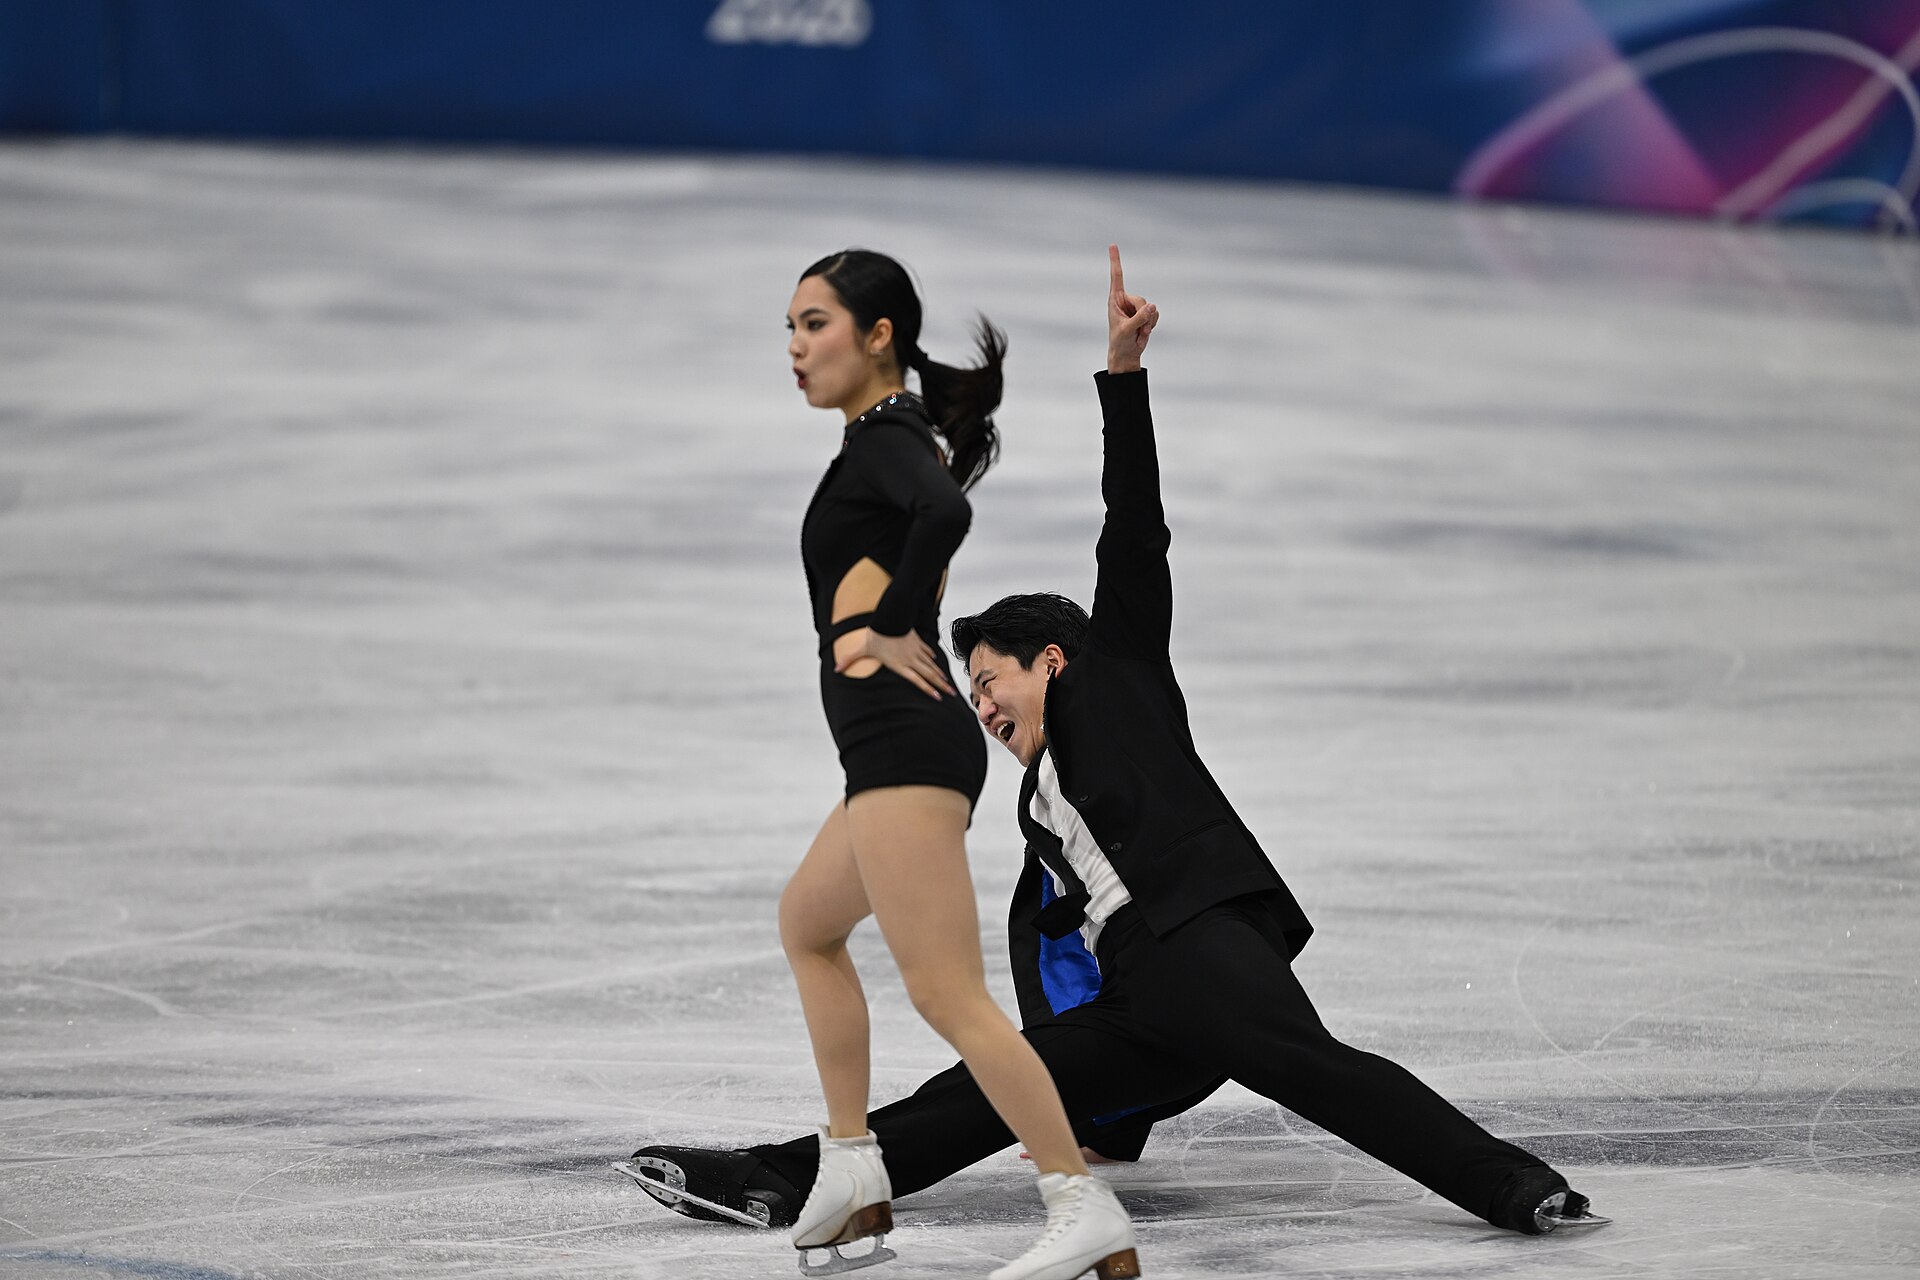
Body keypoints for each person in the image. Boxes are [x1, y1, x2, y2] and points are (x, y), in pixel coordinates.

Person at [622, 247, 1608, 1262]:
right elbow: (1058, 945)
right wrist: (1110, 1120)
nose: (985, 708)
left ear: (1051, 657)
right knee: (992, 1090)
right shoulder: (1036, 806)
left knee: (1317, 1069)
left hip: (1205, 940)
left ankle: (1518, 1185)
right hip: (1146, 997)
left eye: (993, 679)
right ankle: (787, 1174)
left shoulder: (1120, 673)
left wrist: (1123, 378)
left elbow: (1134, 530)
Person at [722, 249, 1138, 1280]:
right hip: (886, 747)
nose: (794, 346)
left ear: (878, 336)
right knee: (808, 923)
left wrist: (895, 621)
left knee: (950, 993)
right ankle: (855, 1165)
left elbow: (944, 515)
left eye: (813, 323)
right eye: (788, 326)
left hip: (904, 745)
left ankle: (1079, 1200)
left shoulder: (889, 439)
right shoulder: (880, 440)